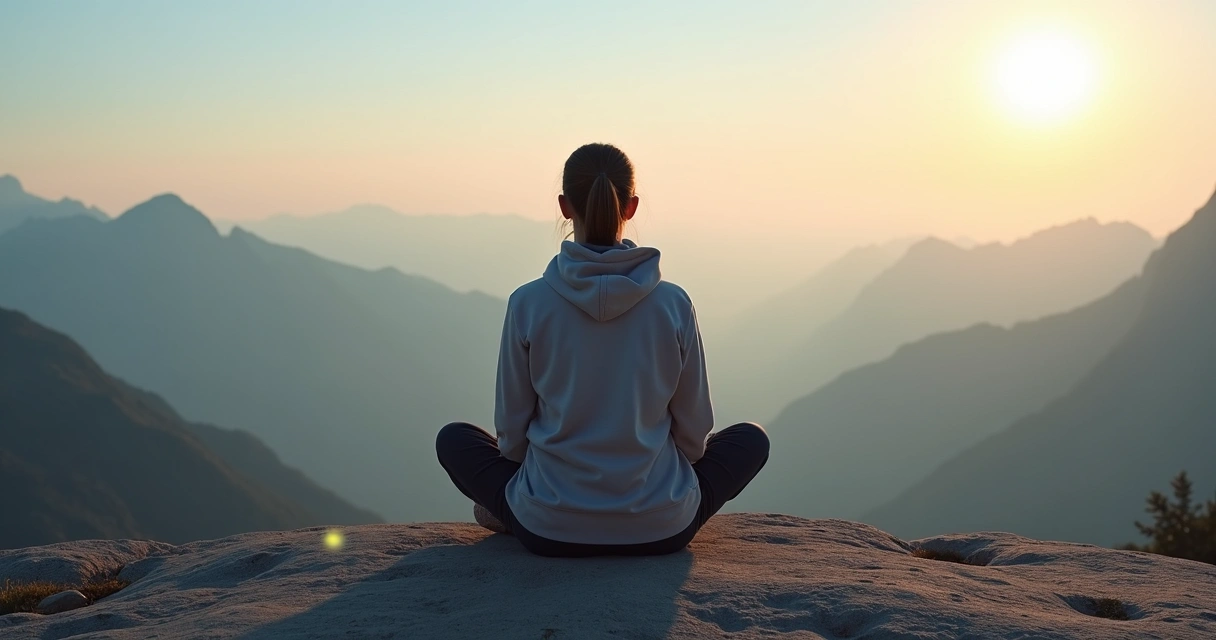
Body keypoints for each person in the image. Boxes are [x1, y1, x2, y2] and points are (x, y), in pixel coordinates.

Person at [435, 142, 769, 557]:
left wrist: (542, 487)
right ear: (630, 207)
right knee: (751, 441)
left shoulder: (528, 303)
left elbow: (512, 438)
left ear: (563, 206)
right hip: (661, 529)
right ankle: (639, 515)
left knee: (454, 440)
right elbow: (694, 436)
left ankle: (509, 511)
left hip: (547, 527)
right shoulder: (674, 304)